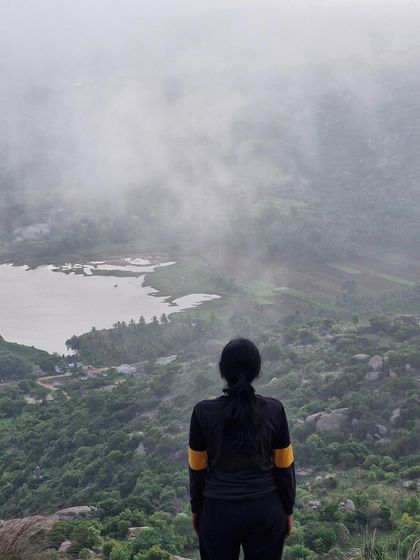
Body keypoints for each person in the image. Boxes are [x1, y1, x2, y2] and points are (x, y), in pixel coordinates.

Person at [188, 338, 296, 560]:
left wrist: (197, 509)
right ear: (256, 371)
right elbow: (284, 466)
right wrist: (287, 509)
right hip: (266, 509)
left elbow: (197, 469)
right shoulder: (274, 410)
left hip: (217, 512)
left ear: (223, 372)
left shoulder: (202, 413)